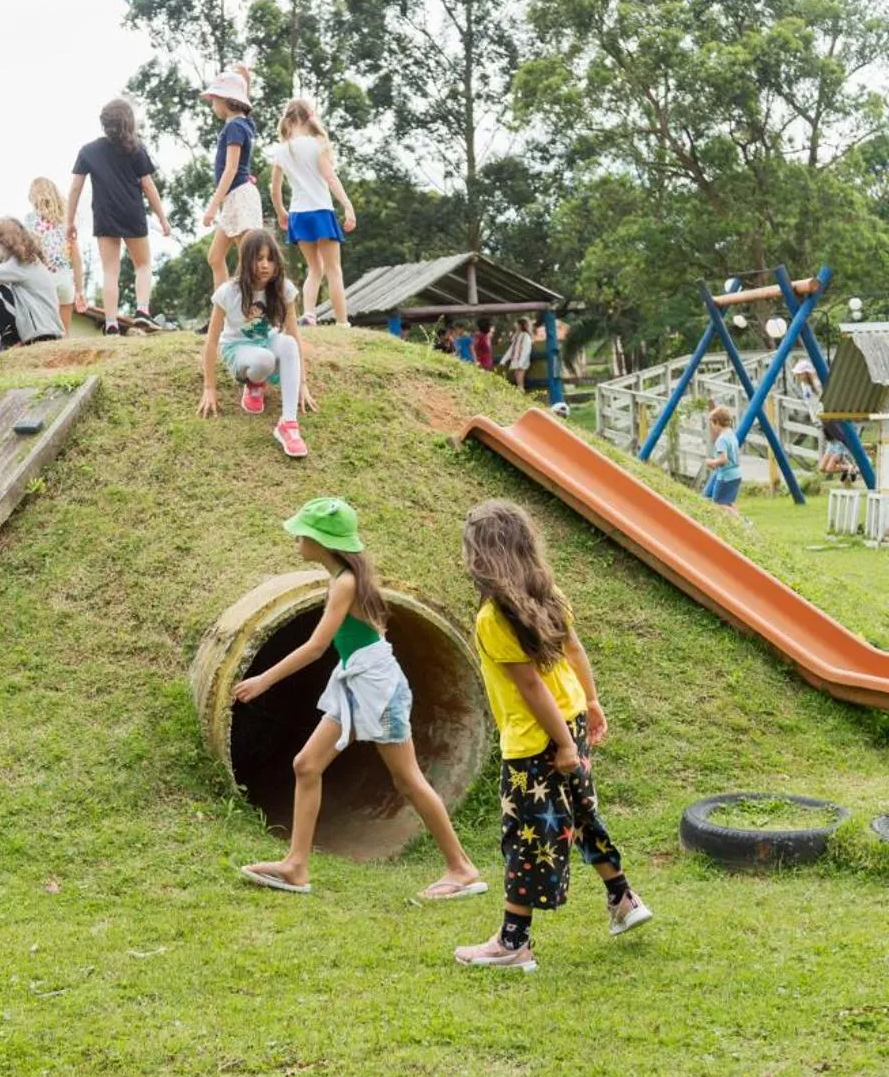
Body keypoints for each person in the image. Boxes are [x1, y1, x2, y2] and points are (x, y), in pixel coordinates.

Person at [234, 498, 485, 897]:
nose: (296, 538)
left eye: (303, 532)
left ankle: (462, 868)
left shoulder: (347, 583)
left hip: (376, 689)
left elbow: (317, 647)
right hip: (355, 685)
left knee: (407, 779)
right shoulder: (344, 579)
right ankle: (296, 866)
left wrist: (263, 679)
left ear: (322, 541)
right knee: (306, 765)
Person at [453, 500, 650, 971]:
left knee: (526, 836)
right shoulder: (547, 593)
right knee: (580, 814)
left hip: (537, 739)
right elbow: (574, 651)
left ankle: (513, 942)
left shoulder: (493, 617)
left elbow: (530, 686)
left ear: (479, 556)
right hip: (571, 718)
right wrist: (592, 703)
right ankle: (622, 898)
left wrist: (560, 743)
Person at [199, 229, 313, 459]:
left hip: (266, 340)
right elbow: (211, 342)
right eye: (259, 258)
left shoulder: (282, 289)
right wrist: (209, 388)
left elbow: (294, 333)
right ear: (246, 259)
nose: (265, 265)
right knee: (265, 359)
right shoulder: (228, 292)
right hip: (237, 349)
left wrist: (303, 383)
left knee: (289, 343)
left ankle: (288, 424)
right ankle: (253, 384)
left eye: (270, 259)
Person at [69, 99, 172, 336]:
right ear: (129, 122)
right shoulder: (135, 148)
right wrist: (163, 219)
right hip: (132, 212)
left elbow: (75, 189)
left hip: (105, 215)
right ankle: (142, 311)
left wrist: (69, 222)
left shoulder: (88, 151)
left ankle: (111, 323)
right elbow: (148, 186)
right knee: (143, 265)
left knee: (110, 271)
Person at [268, 99, 357, 324]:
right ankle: (342, 322)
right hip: (321, 211)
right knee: (333, 269)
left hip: (298, 214)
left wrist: (281, 212)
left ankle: (309, 315)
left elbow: (274, 190)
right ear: (309, 117)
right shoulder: (317, 143)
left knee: (314, 268)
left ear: (289, 119)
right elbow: (330, 177)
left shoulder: (281, 150)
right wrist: (347, 205)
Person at [0, 219, 63, 356]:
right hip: (47, 329)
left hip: (42, 333)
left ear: (7, 242)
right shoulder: (30, 261)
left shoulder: (20, 264)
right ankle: (1, 339)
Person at [200, 66, 261, 290]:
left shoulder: (235, 127)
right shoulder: (241, 123)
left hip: (238, 196)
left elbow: (231, 169)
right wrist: (246, 80)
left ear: (226, 100)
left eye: (214, 99)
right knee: (215, 257)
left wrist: (212, 206)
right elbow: (245, 106)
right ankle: (223, 311)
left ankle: (257, 311)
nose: (212, 104)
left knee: (250, 260)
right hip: (233, 199)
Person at [27, 177, 85, 335]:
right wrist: (80, 290)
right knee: (63, 334)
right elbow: (77, 258)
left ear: (34, 196)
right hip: (65, 280)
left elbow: (27, 253)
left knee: (41, 333)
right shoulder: (66, 222)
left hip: (43, 278)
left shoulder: (31, 220)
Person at [702, 404, 743, 506]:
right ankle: (741, 521)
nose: (712, 427)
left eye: (712, 423)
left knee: (719, 506)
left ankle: (741, 521)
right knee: (728, 503)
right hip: (736, 474)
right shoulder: (731, 435)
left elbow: (723, 459)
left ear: (717, 422)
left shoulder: (721, 439)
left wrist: (711, 462)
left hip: (726, 476)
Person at [500, 316, 534, 389]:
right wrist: (503, 360)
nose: (516, 326)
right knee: (518, 381)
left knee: (520, 382)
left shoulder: (526, 337)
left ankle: (522, 397)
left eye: (517, 325)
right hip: (516, 362)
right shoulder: (517, 336)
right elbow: (511, 349)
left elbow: (526, 351)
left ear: (521, 325)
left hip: (521, 363)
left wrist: (520, 364)